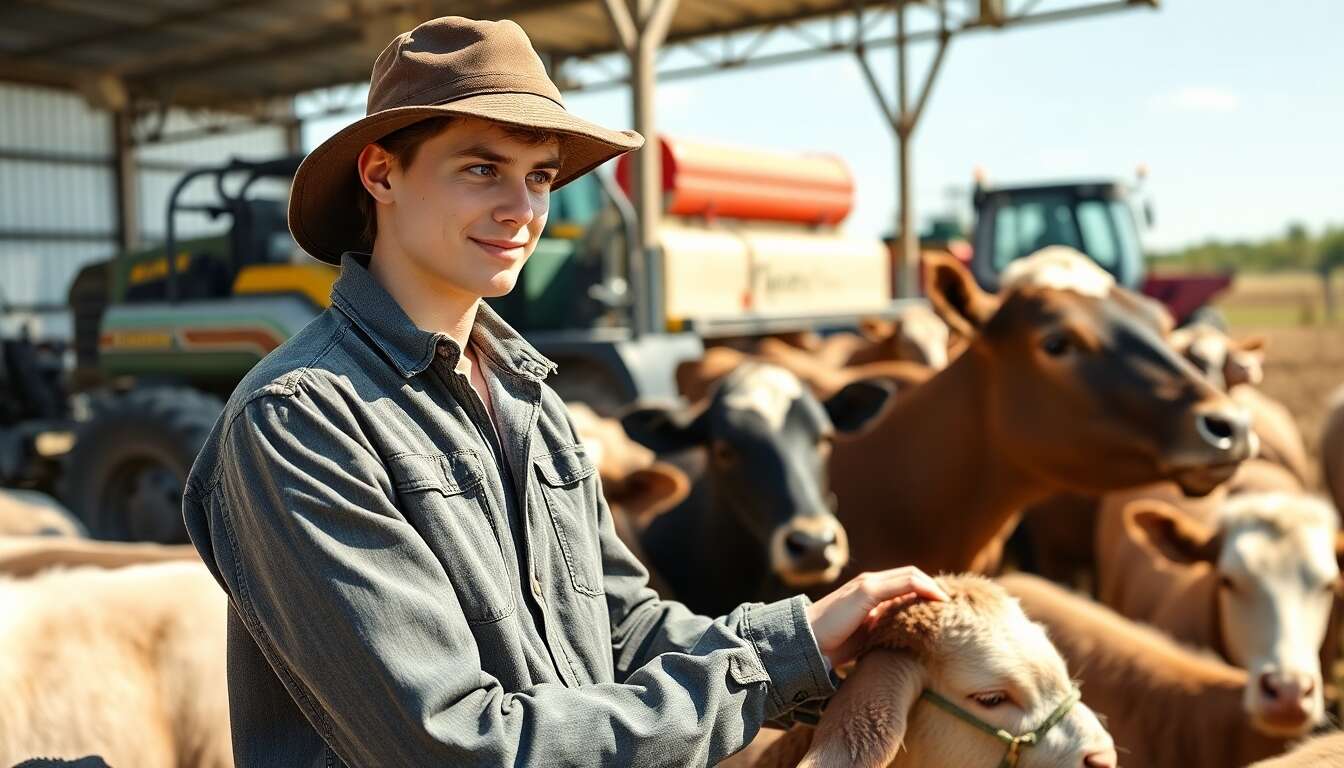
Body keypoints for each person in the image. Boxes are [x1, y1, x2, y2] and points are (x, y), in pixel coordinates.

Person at [182, 15, 947, 767]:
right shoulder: (301, 419)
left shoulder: (529, 397)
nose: (522, 210)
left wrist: (811, 645)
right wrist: (766, 668)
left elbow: (618, 628)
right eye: (482, 169)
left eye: (539, 176)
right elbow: (456, 747)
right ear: (381, 173)